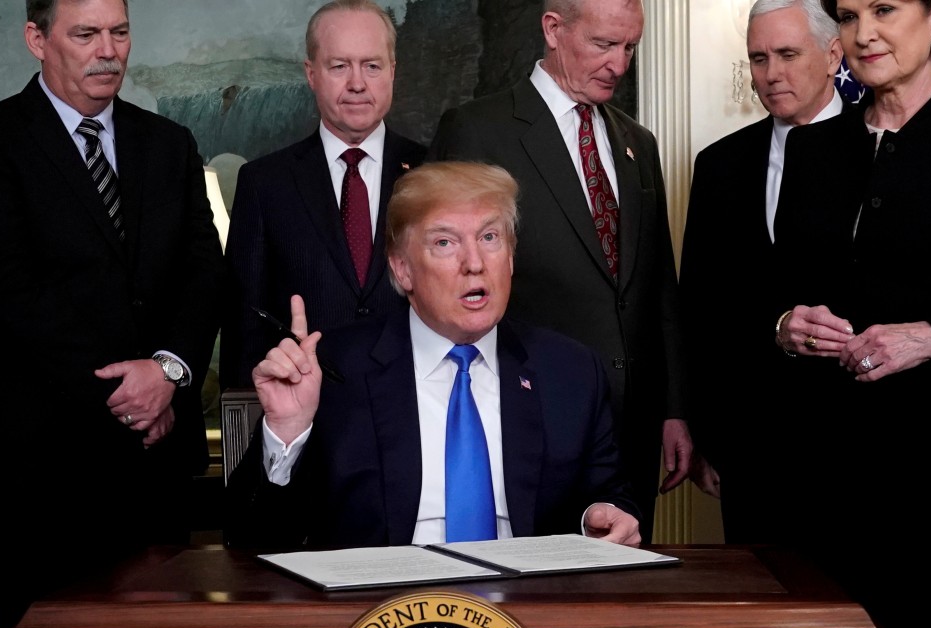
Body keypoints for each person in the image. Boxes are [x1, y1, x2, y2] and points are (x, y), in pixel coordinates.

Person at [0, 0, 223, 628]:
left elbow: (203, 274)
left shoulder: (169, 144)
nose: (108, 50)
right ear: (36, 39)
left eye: (119, 31)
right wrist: (130, 394)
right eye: (86, 34)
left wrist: (166, 374)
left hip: (155, 462)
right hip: (40, 466)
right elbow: (12, 292)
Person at [225, 161, 641, 552]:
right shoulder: (333, 370)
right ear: (402, 269)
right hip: (378, 615)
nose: (474, 263)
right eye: (445, 242)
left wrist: (599, 519)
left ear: (511, 257)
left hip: (525, 614)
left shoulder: (569, 371)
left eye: (489, 238)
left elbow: (608, 497)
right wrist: (287, 433)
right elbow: (251, 538)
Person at [427, 0, 689, 543]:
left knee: (620, 597)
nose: (619, 63)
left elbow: (658, 285)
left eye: (630, 47)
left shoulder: (638, 143)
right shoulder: (478, 130)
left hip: (633, 428)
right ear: (553, 29)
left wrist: (673, 408)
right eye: (603, 45)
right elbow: (443, 283)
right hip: (532, 415)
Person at [771, 0, 931, 628]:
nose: (864, 33)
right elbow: (771, 294)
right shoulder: (810, 149)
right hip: (818, 480)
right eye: (850, 14)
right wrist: (783, 324)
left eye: (884, 9)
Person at [678, 0, 844, 542]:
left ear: (833, 53)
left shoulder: (882, 149)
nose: (771, 74)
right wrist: (705, 435)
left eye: (788, 54)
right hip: (750, 456)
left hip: (862, 452)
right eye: (758, 58)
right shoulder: (719, 164)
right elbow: (699, 308)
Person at [220, 0, 426, 389]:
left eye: (372, 65)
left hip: (414, 409)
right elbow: (243, 324)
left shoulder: (433, 173)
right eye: (339, 66)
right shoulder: (264, 183)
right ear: (311, 74)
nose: (357, 83)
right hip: (305, 416)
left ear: (393, 72)